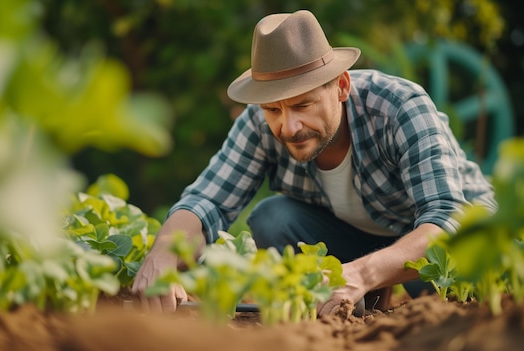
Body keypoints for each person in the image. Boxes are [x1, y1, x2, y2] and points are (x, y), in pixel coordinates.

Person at [132, 10, 496, 316]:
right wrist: (164, 251)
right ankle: (361, 298)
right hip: (363, 243)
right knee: (273, 219)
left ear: (340, 87)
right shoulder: (260, 123)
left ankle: (381, 290)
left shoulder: (398, 107)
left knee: (445, 302)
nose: (288, 127)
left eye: (302, 105)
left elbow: (448, 218)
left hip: (451, 249)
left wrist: (363, 274)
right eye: (274, 109)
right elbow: (207, 201)